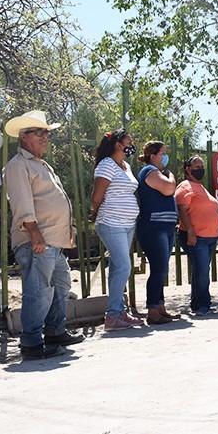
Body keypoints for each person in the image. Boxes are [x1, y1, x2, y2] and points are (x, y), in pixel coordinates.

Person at [3, 110, 84, 360]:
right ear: (24, 136)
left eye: (47, 133)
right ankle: (31, 343)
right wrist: (35, 234)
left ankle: (55, 331)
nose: (45, 138)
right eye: (40, 132)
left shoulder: (40, 164)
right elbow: (23, 205)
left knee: (60, 286)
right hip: (37, 241)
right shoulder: (19, 165)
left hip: (52, 242)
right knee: (39, 291)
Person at [90, 129, 144, 331]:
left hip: (128, 223)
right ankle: (112, 315)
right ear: (118, 145)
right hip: (112, 223)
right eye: (129, 141)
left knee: (117, 267)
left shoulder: (126, 166)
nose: (132, 145)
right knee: (124, 266)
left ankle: (119, 312)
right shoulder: (106, 165)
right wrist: (95, 211)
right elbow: (96, 196)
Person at [136, 141, 180, 324]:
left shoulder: (157, 173)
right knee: (159, 269)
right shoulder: (149, 172)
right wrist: (171, 176)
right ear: (153, 156)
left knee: (162, 268)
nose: (166, 156)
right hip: (153, 227)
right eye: (163, 153)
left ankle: (160, 306)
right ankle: (152, 311)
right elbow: (170, 188)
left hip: (166, 227)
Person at [175, 155, 218, 315]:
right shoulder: (185, 187)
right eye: (196, 166)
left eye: (202, 166)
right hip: (196, 237)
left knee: (200, 270)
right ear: (188, 169)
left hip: (210, 237)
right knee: (202, 271)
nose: (200, 169)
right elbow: (182, 210)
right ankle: (204, 304)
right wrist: (190, 231)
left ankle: (196, 303)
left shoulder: (201, 188)